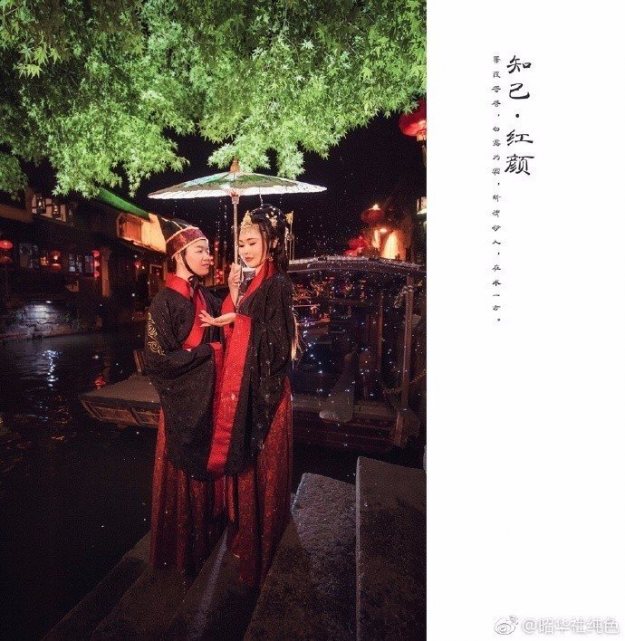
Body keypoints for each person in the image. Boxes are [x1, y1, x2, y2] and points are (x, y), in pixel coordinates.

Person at [200, 204, 296, 589]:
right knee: (248, 470)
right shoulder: (253, 282)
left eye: (253, 242)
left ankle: (265, 545)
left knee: (261, 470)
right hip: (247, 391)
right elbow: (241, 325)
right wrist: (235, 295)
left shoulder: (278, 284)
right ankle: (247, 537)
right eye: (241, 243)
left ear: (271, 242)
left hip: (266, 397)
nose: (245, 250)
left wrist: (241, 316)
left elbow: (278, 346)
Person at [144, 218, 225, 579]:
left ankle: (206, 538)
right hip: (182, 404)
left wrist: (235, 291)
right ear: (179, 255)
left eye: (208, 250)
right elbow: (157, 361)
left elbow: (228, 322)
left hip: (206, 398)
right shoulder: (163, 302)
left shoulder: (205, 296)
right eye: (200, 250)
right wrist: (207, 353)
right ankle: (184, 551)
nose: (208, 257)